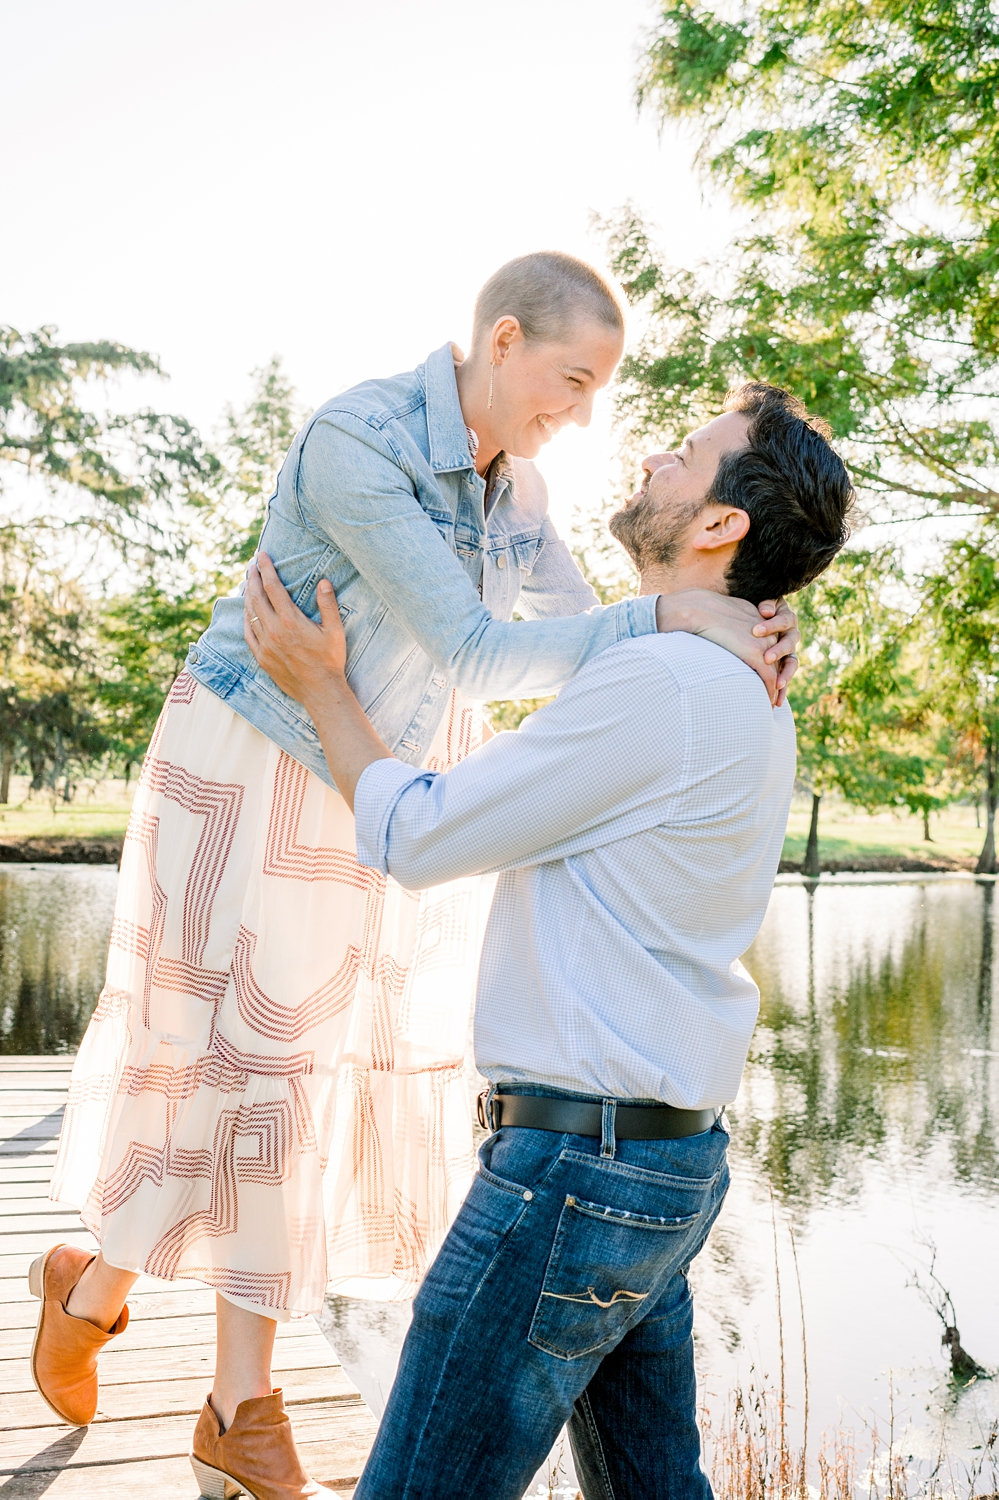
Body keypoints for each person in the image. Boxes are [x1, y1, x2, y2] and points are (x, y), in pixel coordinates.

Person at [31, 253, 799, 1500]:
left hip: (375, 768)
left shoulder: (524, 489)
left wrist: (724, 616)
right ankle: (242, 1404)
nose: (583, 413)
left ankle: (97, 1284)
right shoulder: (360, 439)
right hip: (259, 747)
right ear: (502, 342)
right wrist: (677, 620)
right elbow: (484, 649)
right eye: (572, 379)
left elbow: (586, 648)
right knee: (252, 1062)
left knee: (309, 1064)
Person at [242, 379, 854, 1499]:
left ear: (723, 524)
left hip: (578, 1175)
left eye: (682, 454)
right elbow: (550, 625)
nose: (650, 462)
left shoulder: (663, 685)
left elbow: (421, 832)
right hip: (662, 1162)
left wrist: (321, 685)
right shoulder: (739, 683)